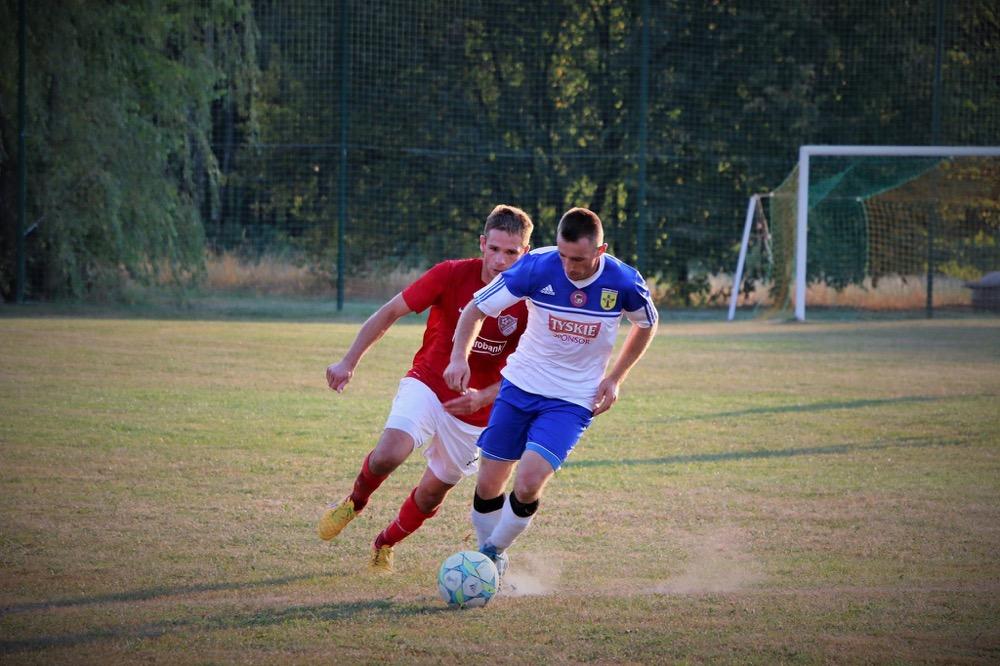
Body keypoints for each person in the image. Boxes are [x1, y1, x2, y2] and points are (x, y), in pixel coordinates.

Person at [444, 207, 657, 580]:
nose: (569, 266)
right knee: (489, 483)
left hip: (573, 399)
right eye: (563, 255)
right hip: (520, 386)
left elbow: (647, 323)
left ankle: (489, 556)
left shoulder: (623, 281)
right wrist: (459, 357)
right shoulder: (536, 266)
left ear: (601, 250)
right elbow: (475, 309)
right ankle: (487, 554)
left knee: (528, 482)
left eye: (578, 259)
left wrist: (616, 377)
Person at [318, 205, 533, 573]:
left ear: (525, 252)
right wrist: (348, 361)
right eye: (494, 249)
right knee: (388, 454)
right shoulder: (450, 274)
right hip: (428, 384)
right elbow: (389, 312)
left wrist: (484, 396)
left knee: (432, 492)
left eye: (511, 252)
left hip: (477, 412)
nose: (500, 260)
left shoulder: (531, 302)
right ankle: (354, 502)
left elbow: (529, 370)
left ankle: (385, 543)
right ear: (482, 243)